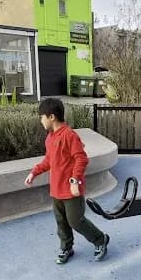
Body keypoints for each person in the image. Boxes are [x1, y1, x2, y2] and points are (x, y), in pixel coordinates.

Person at [25, 98, 110, 264]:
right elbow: (49, 160)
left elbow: (81, 158)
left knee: (76, 221)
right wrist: (34, 172)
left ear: (51, 117)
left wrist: (74, 181)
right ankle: (66, 247)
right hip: (56, 190)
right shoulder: (50, 138)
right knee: (61, 222)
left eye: (41, 117)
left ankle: (100, 239)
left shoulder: (69, 135)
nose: (40, 120)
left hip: (71, 190)